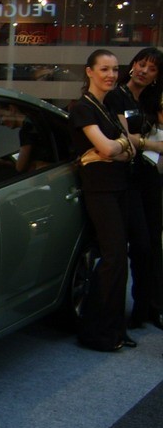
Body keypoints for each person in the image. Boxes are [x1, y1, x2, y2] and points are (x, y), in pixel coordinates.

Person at [69, 49, 136, 352]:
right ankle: (96, 332)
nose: (111, 75)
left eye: (115, 69)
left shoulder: (108, 106)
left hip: (118, 186)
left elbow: (126, 150)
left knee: (118, 259)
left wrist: (116, 147)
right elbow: (110, 149)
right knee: (113, 259)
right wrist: (118, 147)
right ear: (89, 72)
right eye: (104, 69)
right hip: (100, 190)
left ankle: (114, 330)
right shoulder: (83, 108)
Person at [105, 47, 163, 331]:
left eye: (151, 69)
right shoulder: (117, 96)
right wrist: (152, 144)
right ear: (133, 65)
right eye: (141, 64)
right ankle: (136, 311)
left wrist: (144, 143)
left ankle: (150, 307)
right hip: (126, 178)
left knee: (153, 245)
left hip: (150, 177)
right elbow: (126, 138)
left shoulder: (151, 101)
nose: (144, 71)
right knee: (139, 245)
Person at [0, 101, 54, 172]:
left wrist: (4, 164)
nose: (0, 122)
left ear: (11, 109)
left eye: (1, 116)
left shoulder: (26, 131)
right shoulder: (36, 120)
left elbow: (20, 168)